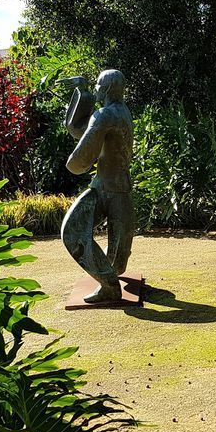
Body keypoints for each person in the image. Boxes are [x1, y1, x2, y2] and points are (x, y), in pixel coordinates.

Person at [60, 69, 135, 303]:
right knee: (119, 249)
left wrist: (73, 164)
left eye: (98, 86)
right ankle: (110, 279)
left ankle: (110, 287)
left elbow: (81, 157)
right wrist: (80, 92)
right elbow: (81, 131)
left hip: (106, 188)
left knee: (71, 232)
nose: (96, 90)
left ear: (108, 89)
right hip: (121, 187)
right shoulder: (122, 112)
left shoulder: (104, 116)